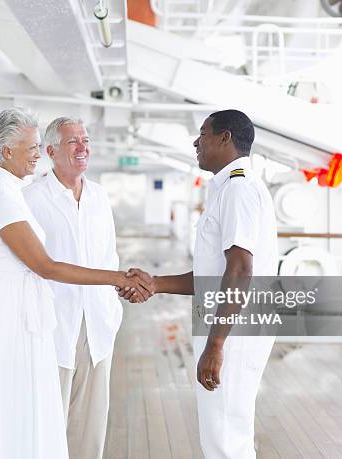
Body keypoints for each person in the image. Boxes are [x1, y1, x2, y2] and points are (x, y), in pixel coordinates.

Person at [0, 108, 151, 459]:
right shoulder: (29, 196)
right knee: (46, 421)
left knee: (91, 425)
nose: (82, 147)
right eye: (72, 142)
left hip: (98, 322)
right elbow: (29, 255)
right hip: (53, 323)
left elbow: (107, 253)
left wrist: (119, 290)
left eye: (86, 140)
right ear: (52, 152)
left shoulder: (99, 197)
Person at [123, 110, 278, 458]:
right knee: (223, 431)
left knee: (226, 437)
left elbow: (240, 271)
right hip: (229, 325)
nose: (196, 141)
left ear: (225, 138)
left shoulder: (238, 189)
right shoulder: (227, 188)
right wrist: (156, 283)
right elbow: (219, 272)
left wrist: (216, 345)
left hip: (233, 331)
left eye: (203, 134)